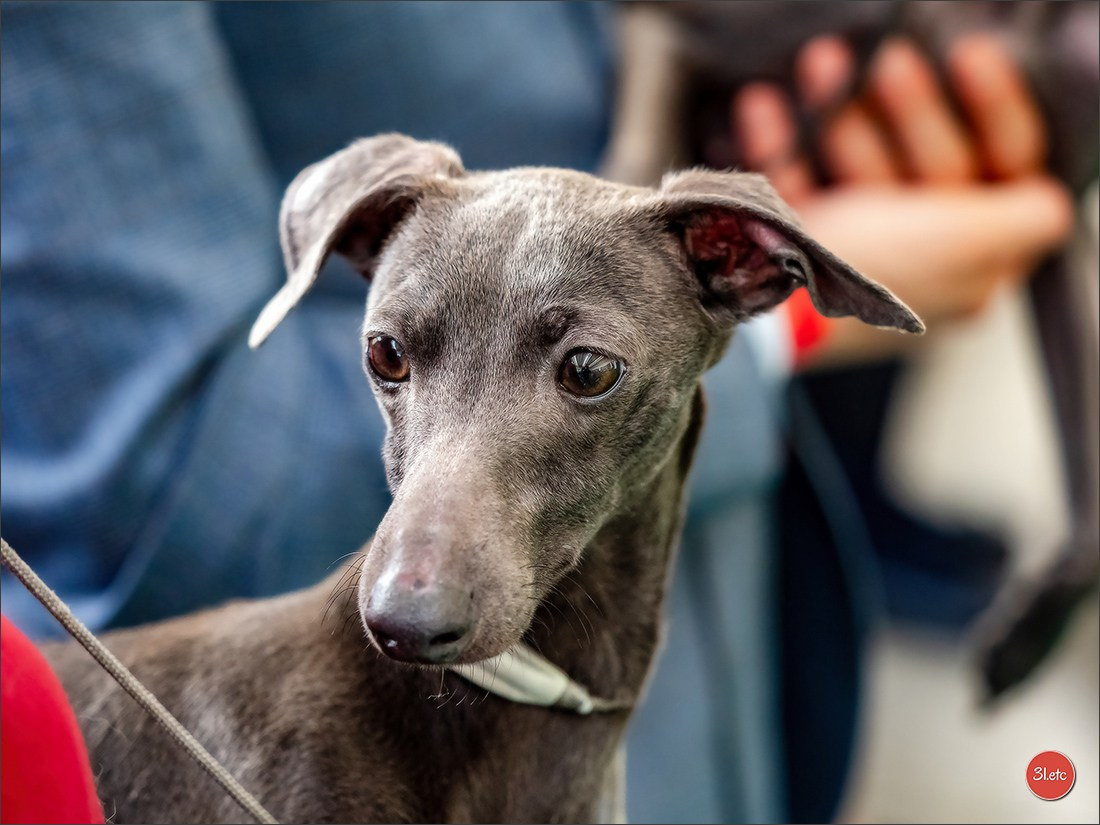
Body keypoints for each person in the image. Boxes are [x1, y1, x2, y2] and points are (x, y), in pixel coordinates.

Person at [0, 4, 1072, 823]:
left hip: (678, 678)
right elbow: (179, 473)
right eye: (390, 358)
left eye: (584, 376)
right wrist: (778, 338)